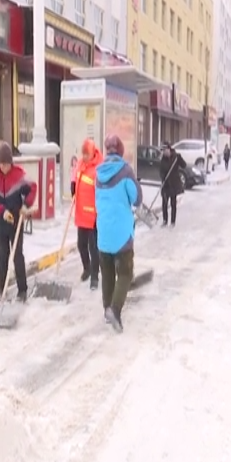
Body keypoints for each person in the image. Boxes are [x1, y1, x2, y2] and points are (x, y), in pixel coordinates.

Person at [95, 134, 143, 333]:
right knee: (125, 272)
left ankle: (107, 308)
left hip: (103, 232)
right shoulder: (125, 171)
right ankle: (115, 310)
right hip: (122, 234)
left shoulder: (98, 172)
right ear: (121, 151)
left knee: (107, 272)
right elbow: (137, 198)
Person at [0, 142, 38, 302]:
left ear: (11, 163)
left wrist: (25, 205)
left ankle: (22, 290)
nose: (4, 168)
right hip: (0, 220)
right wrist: (2, 212)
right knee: (2, 254)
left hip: (16, 218)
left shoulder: (19, 174)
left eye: (7, 164)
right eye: (2, 164)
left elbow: (33, 187)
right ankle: (2, 289)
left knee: (17, 254)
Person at [71, 139, 103, 290]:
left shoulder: (99, 168)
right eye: (83, 154)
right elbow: (75, 175)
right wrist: (73, 186)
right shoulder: (80, 164)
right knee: (81, 245)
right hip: (81, 212)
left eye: (87, 154)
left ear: (93, 153)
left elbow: (102, 191)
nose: (84, 157)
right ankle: (87, 268)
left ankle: (95, 278)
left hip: (94, 215)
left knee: (93, 247)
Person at [159, 141, 186, 228]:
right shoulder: (162, 159)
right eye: (162, 150)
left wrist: (180, 158)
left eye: (165, 150)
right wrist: (163, 177)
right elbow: (161, 171)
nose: (164, 152)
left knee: (173, 204)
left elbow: (184, 165)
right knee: (164, 203)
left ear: (169, 149)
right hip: (166, 184)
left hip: (173, 184)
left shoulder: (176, 157)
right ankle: (165, 220)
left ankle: (173, 222)